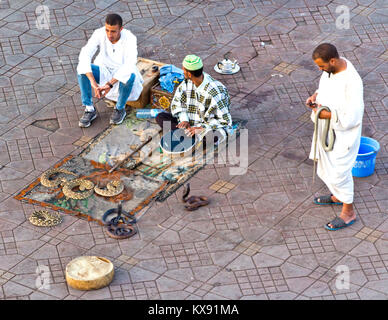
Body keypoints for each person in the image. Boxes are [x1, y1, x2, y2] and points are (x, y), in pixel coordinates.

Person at [305, 43, 364, 231]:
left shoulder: (352, 82)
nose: (320, 70)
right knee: (326, 167)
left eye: (322, 66)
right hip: (327, 130)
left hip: (343, 135)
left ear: (332, 60)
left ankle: (348, 213)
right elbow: (326, 87)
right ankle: (338, 197)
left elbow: (353, 116)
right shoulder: (332, 69)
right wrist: (316, 96)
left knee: (340, 173)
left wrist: (326, 115)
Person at [76, 13, 143, 127]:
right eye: (107, 30)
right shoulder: (99, 33)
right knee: (82, 69)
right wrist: (93, 82)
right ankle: (89, 108)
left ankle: (120, 108)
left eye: (113, 31)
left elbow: (129, 64)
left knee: (130, 75)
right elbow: (85, 54)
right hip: (105, 70)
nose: (109, 34)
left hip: (121, 74)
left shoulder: (130, 38)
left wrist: (109, 84)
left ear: (121, 29)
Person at [155, 54, 233, 146]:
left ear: (189, 74)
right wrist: (184, 120)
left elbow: (224, 120)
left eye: (183, 70)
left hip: (207, 127)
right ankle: (189, 136)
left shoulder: (215, 91)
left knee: (212, 136)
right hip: (190, 123)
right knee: (160, 117)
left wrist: (201, 128)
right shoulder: (187, 82)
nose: (182, 72)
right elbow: (178, 102)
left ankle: (188, 137)